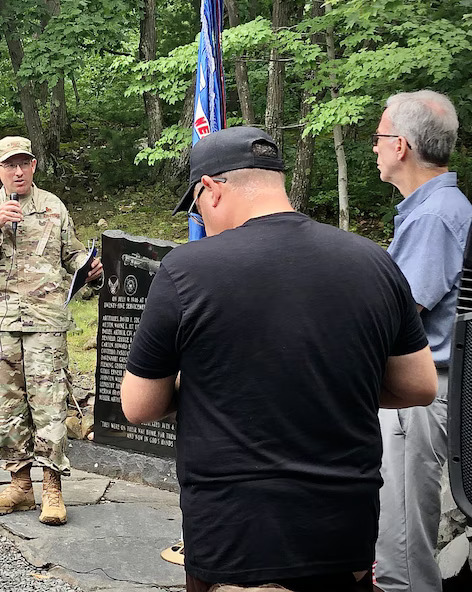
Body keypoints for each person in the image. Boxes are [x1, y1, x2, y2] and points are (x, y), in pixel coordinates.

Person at [120, 126, 438, 592]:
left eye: (195, 206)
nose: (200, 218)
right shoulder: (374, 261)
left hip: (233, 531)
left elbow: (139, 405)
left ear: (210, 188)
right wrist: (329, 382)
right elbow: (419, 385)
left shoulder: (187, 270)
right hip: (343, 528)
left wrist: (210, 384)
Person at [0, 135, 102, 526]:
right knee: (5, 406)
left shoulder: (54, 206)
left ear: (34, 165)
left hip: (45, 321)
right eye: (10, 165)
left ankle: (53, 489)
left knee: (50, 405)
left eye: (24, 163)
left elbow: (72, 254)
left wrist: (90, 268)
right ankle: (20, 486)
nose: (18, 171)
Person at [372, 90, 472, 592]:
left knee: (403, 543)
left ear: (402, 145)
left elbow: (398, 314)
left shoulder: (434, 217)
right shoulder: (436, 208)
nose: (374, 147)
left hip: (419, 391)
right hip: (425, 387)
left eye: (379, 137)